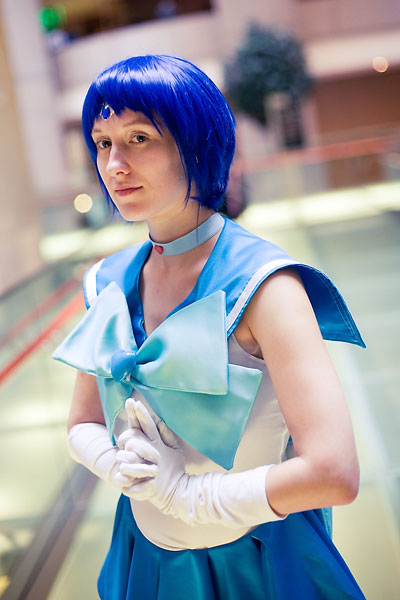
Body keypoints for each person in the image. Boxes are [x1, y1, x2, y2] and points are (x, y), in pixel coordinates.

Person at [53, 54, 366, 599]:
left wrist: (187, 496)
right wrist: (113, 463)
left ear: (197, 143)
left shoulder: (266, 285)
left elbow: (334, 472)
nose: (114, 165)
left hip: (259, 564)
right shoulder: (107, 282)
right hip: (145, 559)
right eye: (102, 143)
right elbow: (82, 421)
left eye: (139, 139)